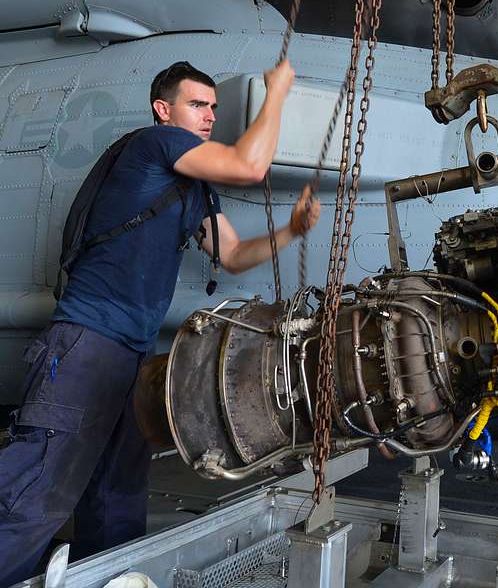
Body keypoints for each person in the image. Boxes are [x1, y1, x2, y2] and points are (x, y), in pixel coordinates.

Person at [0, 59, 320, 585]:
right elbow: (250, 166)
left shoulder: (192, 187)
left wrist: (289, 229)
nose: (209, 115)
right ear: (163, 109)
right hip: (87, 343)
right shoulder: (154, 143)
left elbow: (234, 254)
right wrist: (277, 94)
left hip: (131, 354)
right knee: (37, 494)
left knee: (117, 498)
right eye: (198, 105)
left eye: (214, 108)